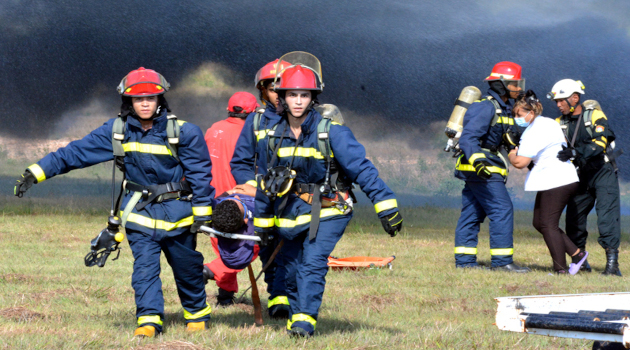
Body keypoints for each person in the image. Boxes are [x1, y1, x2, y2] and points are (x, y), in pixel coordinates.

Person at [14, 67, 214, 337]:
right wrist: (36, 172)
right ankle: (149, 321)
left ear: (160, 100)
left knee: (187, 268)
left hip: (179, 215)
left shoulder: (185, 132)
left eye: (150, 98)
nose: (144, 103)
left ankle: (197, 314)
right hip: (140, 215)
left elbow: (201, 175)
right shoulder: (117, 131)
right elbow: (75, 153)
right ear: (128, 101)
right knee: (144, 271)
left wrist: (203, 213)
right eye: (138, 99)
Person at [253, 52, 402, 337]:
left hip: (330, 209)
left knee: (312, 262)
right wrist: (263, 226)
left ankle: (303, 322)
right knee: (292, 268)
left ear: (313, 98)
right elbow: (266, 182)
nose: (298, 101)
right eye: (292, 94)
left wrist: (386, 206)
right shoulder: (272, 136)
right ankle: (297, 315)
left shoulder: (331, 132)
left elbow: (362, 169)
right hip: (289, 212)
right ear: (281, 96)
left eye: (304, 95)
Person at [229, 58, 293, 318]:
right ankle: (277, 297)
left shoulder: (310, 120)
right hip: (265, 198)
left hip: (299, 198)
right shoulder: (255, 122)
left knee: (293, 247)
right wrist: (255, 188)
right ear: (263, 92)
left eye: (284, 88)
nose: (279, 95)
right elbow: (241, 161)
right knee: (267, 245)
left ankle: (287, 295)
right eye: (272, 89)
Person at [453, 61, 529, 272]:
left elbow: (510, 138)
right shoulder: (485, 106)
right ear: (501, 84)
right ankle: (502, 263)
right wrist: (478, 161)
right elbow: (468, 138)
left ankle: (465, 262)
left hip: (482, 168)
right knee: (502, 209)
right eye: (515, 84)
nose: (519, 88)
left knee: (472, 213)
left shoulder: (502, 109)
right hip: (482, 169)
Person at [507, 90, 588, 274]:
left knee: (548, 224)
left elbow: (520, 162)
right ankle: (577, 254)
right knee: (539, 222)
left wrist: (511, 150)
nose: (516, 118)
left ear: (531, 112)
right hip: (556, 179)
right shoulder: (548, 122)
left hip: (557, 180)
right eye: (514, 115)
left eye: (519, 114)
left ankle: (560, 270)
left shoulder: (534, 130)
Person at [548, 79, 621, 276]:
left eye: (561, 100)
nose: (558, 105)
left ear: (574, 98)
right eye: (556, 101)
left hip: (602, 171)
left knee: (607, 218)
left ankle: (612, 265)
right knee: (574, 219)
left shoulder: (595, 115)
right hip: (579, 175)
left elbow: (600, 144)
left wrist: (575, 153)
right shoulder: (558, 123)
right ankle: (580, 262)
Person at [202, 91, 262, 306]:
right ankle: (208, 271)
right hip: (238, 201)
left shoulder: (213, 129)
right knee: (252, 247)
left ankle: (225, 299)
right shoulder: (248, 134)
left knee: (225, 248)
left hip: (212, 199)